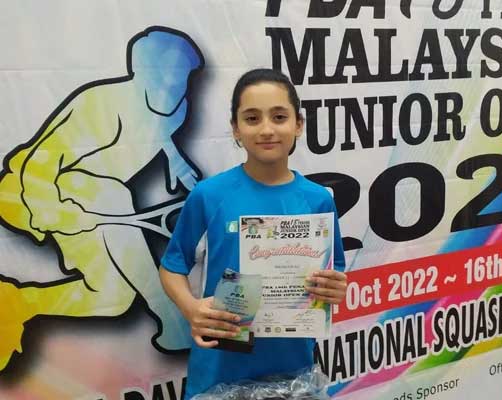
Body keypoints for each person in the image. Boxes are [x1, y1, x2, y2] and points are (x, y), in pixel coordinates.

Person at [0, 27, 203, 370]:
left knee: (113, 299)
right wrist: (56, 213)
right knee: (114, 193)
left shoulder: (177, 109)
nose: (170, 88)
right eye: (161, 77)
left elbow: (160, 134)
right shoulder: (102, 106)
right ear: (138, 72)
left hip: (93, 198)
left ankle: (20, 303)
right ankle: (171, 318)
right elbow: (38, 168)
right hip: (33, 193)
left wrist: (179, 167)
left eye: (180, 78)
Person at [159, 68, 348, 399]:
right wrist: (191, 308)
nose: (266, 129)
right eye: (251, 118)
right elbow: (172, 265)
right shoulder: (209, 195)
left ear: (298, 124)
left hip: (294, 372)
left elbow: (334, 273)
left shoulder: (317, 199)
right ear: (235, 128)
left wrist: (336, 287)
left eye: (278, 116)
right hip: (219, 370)